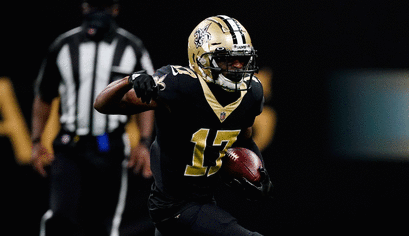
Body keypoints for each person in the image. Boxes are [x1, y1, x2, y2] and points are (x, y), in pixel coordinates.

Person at [94, 15, 272, 236]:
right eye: (228, 59)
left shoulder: (251, 93)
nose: (238, 66)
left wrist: (260, 172)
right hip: (173, 207)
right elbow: (102, 103)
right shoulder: (180, 86)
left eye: (242, 59)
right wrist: (129, 81)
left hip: (202, 202)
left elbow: (245, 138)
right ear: (202, 59)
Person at [31, 0, 155, 235]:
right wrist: (36, 141)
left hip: (111, 146)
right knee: (60, 217)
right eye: (93, 4)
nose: (98, 12)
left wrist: (144, 142)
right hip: (70, 146)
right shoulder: (64, 45)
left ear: (116, 8)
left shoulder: (132, 47)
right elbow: (44, 95)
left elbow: (147, 98)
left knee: (102, 224)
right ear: (83, 6)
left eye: (105, 4)